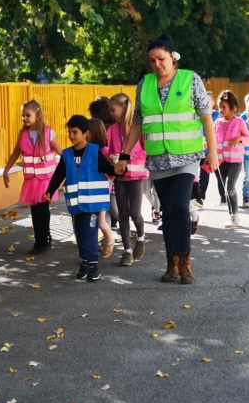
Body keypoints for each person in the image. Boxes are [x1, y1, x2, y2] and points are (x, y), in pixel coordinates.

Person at [114, 35, 218, 285]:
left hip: (186, 157)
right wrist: (124, 155)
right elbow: (138, 122)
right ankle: (171, 263)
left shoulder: (190, 79)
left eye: (161, 59)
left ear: (172, 57)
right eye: (152, 61)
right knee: (167, 212)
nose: (156, 64)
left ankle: (185, 263)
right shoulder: (145, 84)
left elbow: (206, 116)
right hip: (158, 159)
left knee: (180, 207)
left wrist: (212, 152)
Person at [43, 115, 121, 282]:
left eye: (75, 132)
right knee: (80, 234)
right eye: (69, 132)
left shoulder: (94, 151)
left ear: (86, 133)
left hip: (92, 204)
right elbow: (59, 175)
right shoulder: (66, 154)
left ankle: (93, 265)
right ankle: (85, 262)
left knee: (90, 233)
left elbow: (107, 169)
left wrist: (118, 170)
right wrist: (49, 190)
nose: (71, 136)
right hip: (76, 205)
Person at [3, 100, 62, 254]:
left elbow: (61, 152)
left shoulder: (48, 133)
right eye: (23, 115)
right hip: (31, 181)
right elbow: (16, 153)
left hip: (46, 181)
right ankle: (39, 240)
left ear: (38, 115)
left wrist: (71, 169)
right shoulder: (22, 134)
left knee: (43, 210)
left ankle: (45, 238)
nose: (24, 118)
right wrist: (6, 170)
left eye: (28, 115)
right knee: (35, 211)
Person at [107, 93, 149, 267]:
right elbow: (108, 149)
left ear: (123, 107)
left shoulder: (138, 127)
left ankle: (141, 237)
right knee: (122, 214)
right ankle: (127, 251)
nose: (111, 113)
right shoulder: (112, 129)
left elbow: (146, 150)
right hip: (120, 177)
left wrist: (126, 156)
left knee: (135, 213)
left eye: (113, 109)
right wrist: (112, 156)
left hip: (137, 176)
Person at [214, 90, 249, 228]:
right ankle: (232, 217)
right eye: (219, 107)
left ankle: (235, 216)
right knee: (225, 189)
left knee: (230, 188)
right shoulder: (217, 122)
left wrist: (239, 138)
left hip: (235, 161)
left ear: (232, 107)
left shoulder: (239, 122)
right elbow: (213, 140)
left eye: (224, 107)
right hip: (221, 161)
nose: (221, 109)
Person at [86, 119, 116, 259]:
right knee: (93, 220)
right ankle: (94, 246)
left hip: (101, 189)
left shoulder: (103, 151)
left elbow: (108, 171)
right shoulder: (89, 149)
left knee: (99, 220)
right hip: (91, 188)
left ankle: (109, 240)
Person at [89, 97, 119, 228]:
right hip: (106, 174)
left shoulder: (110, 129)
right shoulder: (102, 128)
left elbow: (109, 150)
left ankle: (126, 227)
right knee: (106, 208)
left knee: (113, 207)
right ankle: (108, 233)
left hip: (110, 172)